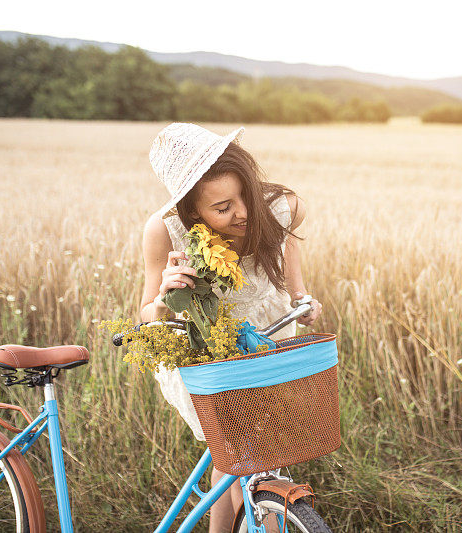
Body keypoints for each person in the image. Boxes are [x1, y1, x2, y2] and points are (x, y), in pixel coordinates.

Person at [139, 123, 322, 533]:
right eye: (222, 208)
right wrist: (165, 299)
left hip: (268, 342)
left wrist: (302, 298)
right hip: (208, 356)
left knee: (238, 462)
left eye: (245, 195)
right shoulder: (166, 232)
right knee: (244, 455)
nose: (241, 212)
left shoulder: (282, 207)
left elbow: (291, 259)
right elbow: (146, 317)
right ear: (192, 212)